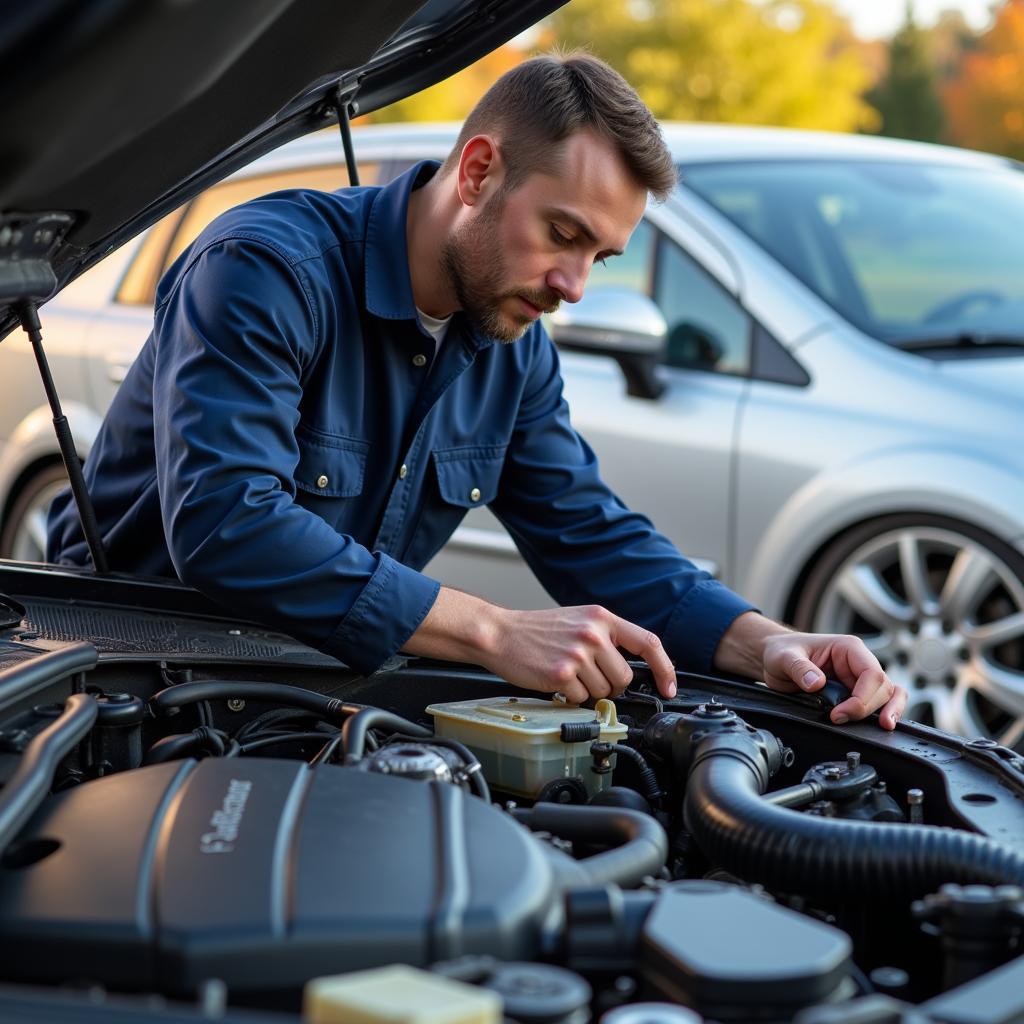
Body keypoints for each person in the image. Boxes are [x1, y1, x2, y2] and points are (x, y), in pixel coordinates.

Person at [49, 52, 906, 729]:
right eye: (562, 234)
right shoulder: (265, 270)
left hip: (321, 698)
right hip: (133, 691)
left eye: (598, 257)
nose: (573, 286)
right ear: (478, 171)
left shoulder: (512, 344)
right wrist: (496, 631)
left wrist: (771, 644)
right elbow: (227, 524)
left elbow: (589, 533)